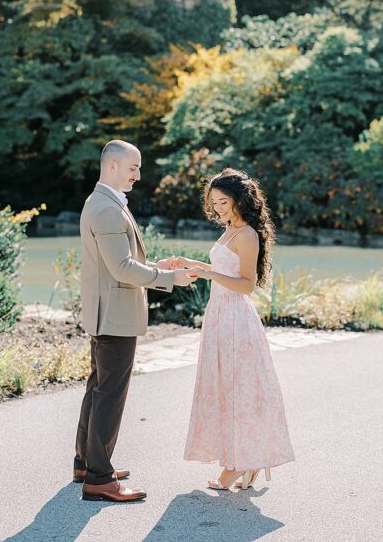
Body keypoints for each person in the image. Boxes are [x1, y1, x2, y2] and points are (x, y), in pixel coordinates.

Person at [76, 140, 197, 502]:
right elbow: (122, 268)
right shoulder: (108, 209)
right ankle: (98, 478)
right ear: (112, 166)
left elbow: (118, 264)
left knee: (98, 389)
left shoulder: (100, 202)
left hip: (106, 313)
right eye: (133, 167)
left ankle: (86, 462)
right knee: (110, 395)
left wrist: (157, 267)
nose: (138, 175)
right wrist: (168, 280)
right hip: (115, 317)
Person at [175, 168, 295, 489]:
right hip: (218, 316)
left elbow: (246, 285)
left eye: (223, 201)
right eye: (214, 202)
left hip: (235, 321)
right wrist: (189, 264)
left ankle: (239, 464)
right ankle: (242, 460)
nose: (218, 208)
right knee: (223, 390)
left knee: (238, 392)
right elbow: (218, 269)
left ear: (239, 199)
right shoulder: (230, 229)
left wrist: (209, 275)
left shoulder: (247, 235)